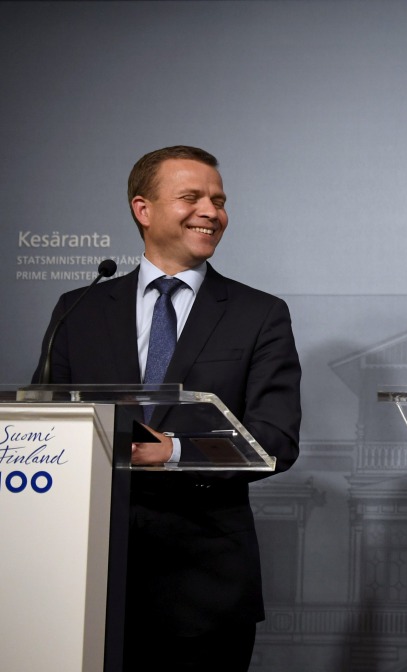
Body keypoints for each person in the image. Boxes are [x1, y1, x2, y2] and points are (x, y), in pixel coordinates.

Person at [33, 146, 302, 671]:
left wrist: (175, 451)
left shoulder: (259, 314)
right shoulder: (80, 309)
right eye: (192, 197)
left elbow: (276, 441)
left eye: (219, 201)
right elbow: (48, 430)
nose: (211, 211)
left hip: (206, 587)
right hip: (87, 577)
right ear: (143, 209)